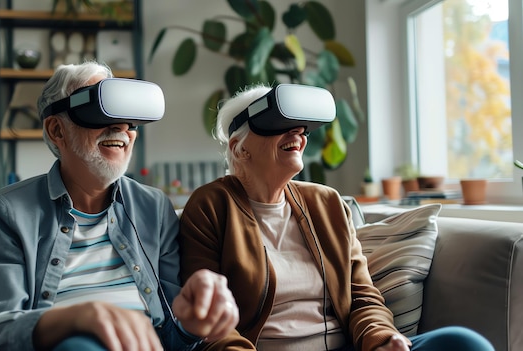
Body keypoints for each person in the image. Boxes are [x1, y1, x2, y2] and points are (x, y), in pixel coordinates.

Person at [178, 84, 495, 351]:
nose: (298, 134)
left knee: (462, 342)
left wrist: (382, 340)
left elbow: (361, 296)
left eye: (301, 128)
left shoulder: (326, 203)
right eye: (278, 125)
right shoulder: (211, 206)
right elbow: (209, 321)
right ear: (239, 148)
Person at [0, 61, 239, 351]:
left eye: (129, 117)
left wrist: (192, 325)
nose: (121, 128)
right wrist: (77, 317)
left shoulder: (154, 208)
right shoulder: (10, 212)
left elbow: (172, 337)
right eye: (100, 111)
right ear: (57, 129)